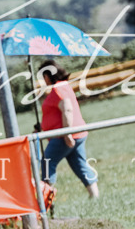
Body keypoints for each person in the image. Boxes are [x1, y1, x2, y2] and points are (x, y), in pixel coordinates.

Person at [39, 60, 100, 198]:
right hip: (78, 133)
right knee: (79, 165)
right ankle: (94, 195)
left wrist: (67, 134)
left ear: (47, 76)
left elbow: (67, 109)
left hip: (63, 136)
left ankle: (46, 197)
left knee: (47, 163)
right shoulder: (64, 86)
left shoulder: (58, 89)